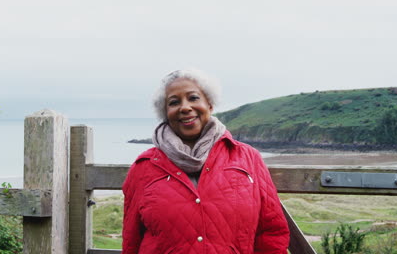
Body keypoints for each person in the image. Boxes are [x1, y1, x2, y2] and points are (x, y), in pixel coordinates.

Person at [122, 69, 290, 254]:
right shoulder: (144, 167)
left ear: (209, 104)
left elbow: (272, 232)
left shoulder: (247, 158)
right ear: (165, 113)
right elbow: (131, 240)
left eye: (193, 98)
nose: (185, 107)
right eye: (174, 102)